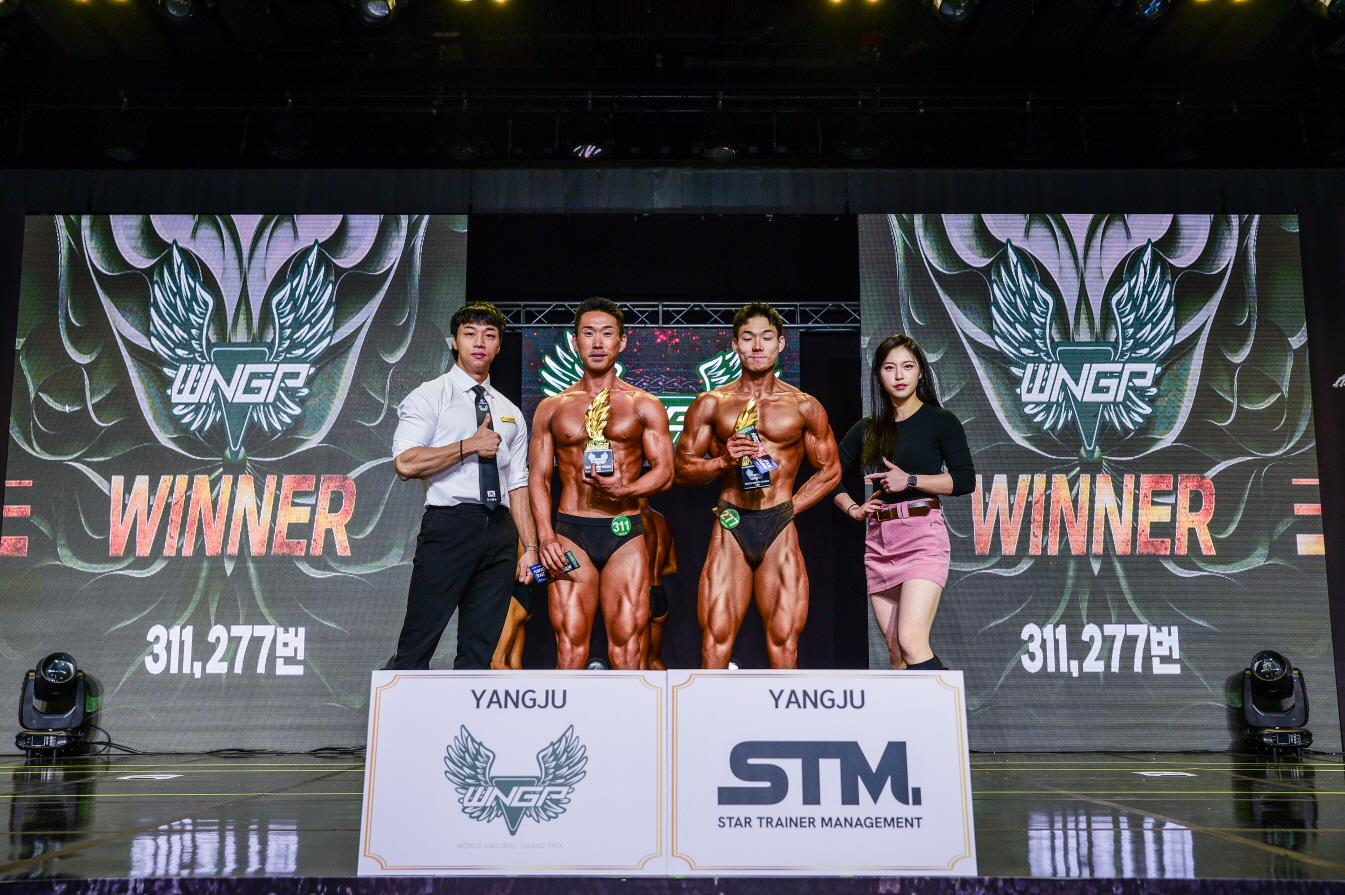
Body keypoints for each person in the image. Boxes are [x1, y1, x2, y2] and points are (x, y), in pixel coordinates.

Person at [674, 303, 840, 669]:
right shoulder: (711, 403)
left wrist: (789, 509)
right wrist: (722, 461)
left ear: (780, 343)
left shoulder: (803, 406)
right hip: (731, 521)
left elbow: (830, 470)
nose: (757, 346)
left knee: (784, 640)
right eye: (748, 338)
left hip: (779, 521)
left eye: (766, 337)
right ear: (735, 344)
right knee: (715, 638)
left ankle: (782, 711)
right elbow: (681, 469)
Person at [388, 302, 537, 670]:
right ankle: (401, 704)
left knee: (480, 653)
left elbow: (518, 485)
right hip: (450, 525)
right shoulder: (429, 395)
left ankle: (465, 709)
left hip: (501, 532)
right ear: (454, 341)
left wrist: (530, 547)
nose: (479, 342)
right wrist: (469, 445)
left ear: (499, 345)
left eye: (489, 335)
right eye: (470, 334)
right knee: (418, 642)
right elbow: (405, 463)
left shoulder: (510, 412)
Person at [530, 297, 675, 670]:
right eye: (588, 333)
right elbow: (538, 478)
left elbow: (665, 471)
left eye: (607, 333)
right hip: (570, 532)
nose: (597, 342)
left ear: (621, 342)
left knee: (628, 649)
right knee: (569, 649)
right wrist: (545, 536)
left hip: (624, 530)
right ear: (575, 341)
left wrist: (626, 490)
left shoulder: (644, 404)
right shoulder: (552, 407)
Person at [830, 333, 975, 671]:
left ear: (920, 372)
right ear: (878, 375)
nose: (899, 375)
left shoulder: (940, 420)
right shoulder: (866, 429)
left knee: (911, 642)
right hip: (880, 540)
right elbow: (828, 475)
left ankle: (948, 704)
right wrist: (853, 508)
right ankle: (919, 709)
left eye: (907, 367)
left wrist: (909, 480)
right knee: (896, 653)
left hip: (922, 535)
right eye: (889, 368)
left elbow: (964, 480)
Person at [639, 498, 678, 671]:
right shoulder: (662, 520)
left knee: (639, 663)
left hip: (642, 595)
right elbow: (673, 566)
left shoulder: (635, 518)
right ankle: (666, 690)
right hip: (660, 594)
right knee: (654, 661)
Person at [491, 544, 534, 670]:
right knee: (515, 667)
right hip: (520, 596)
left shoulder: (520, 535)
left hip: (511, 598)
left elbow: (521, 570)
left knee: (496, 663)